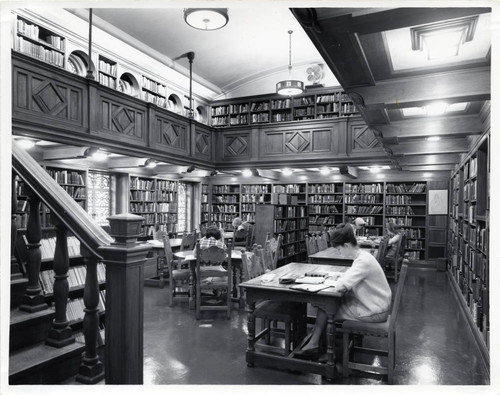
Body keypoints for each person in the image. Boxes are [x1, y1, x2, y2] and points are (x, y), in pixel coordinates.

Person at [295, 223, 392, 360]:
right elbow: (349, 278)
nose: (339, 253)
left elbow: (341, 286)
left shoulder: (362, 261)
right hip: (375, 304)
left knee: (328, 309)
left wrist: (340, 279)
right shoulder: (363, 256)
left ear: (346, 245)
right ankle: (315, 343)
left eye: (339, 249)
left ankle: (326, 352)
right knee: (326, 306)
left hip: (374, 310)